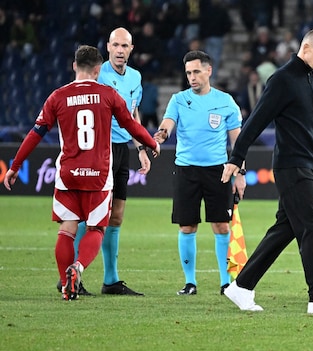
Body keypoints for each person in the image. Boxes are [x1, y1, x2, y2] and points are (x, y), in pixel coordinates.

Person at [3, 45, 160, 301]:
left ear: (74, 66)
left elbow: (35, 133)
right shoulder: (108, 94)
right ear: (98, 70)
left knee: (67, 229)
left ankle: (66, 282)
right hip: (98, 174)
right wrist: (151, 143)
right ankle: (78, 267)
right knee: (96, 229)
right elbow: (131, 124)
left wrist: (15, 166)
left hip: (68, 175)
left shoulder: (57, 96)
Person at [220, 28, 313, 315]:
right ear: (305, 48)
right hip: (291, 165)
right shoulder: (282, 79)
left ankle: (241, 287)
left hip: (304, 163)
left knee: (285, 229)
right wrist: (237, 157)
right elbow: (256, 120)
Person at [153, 50, 245, 296]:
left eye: (196, 72)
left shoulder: (226, 102)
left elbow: (238, 142)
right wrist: (160, 135)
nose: (191, 77)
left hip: (219, 171)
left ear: (208, 71)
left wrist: (241, 173)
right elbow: (168, 125)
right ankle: (190, 282)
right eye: (188, 73)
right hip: (187, 170)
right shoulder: (179, 100)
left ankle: (226, 283)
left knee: (221, 227)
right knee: (187, 227)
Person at [68, 27, 150, 296]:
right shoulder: (96, 73)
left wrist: (140, 148)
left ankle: (111, 280)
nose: (119, 51)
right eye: (115, 45)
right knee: (88, 215)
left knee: (116, 215)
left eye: (124, 46)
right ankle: (71, 275)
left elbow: (133, 113)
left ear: (131, 49)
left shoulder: (136, 77)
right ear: (108, 47)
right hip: (98, 149)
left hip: (123, 149)